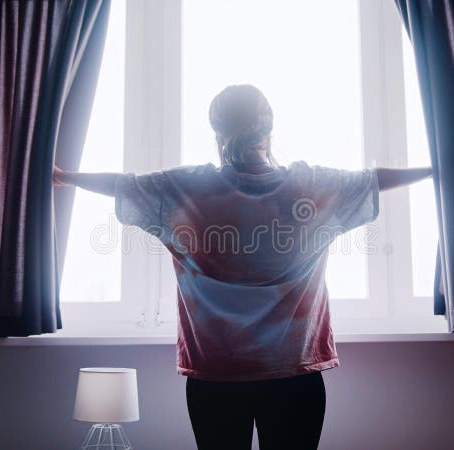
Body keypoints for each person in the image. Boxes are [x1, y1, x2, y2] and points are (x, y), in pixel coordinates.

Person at [54, 84, 431, 450]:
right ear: (268, 130)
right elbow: (375, 181)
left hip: (216, 377)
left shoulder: (184, 189)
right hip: (294, 375)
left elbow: (121, 185)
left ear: (217, 133)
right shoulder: (312, 187)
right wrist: (436, 169)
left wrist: (63, 176)